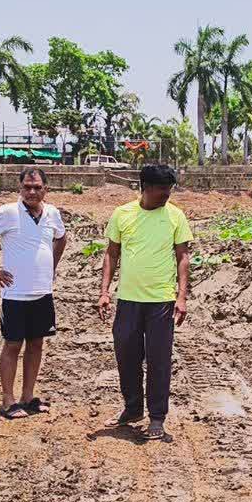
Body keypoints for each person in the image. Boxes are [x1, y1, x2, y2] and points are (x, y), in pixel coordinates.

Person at [98, 164, 192, 441]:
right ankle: (132, 408)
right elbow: (111, 254)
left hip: (161, 301)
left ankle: (157, 417)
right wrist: (104, 291)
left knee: (159, 360)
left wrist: (182, 296)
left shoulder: (175, 216)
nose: (167, 194)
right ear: (145, 187)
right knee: (126, 356)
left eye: (169, 189)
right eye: (162, 189)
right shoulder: (122, 214)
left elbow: (183, 257)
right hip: (128, 300)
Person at [0, 167, 67, 419]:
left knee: (36, 343)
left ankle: (28, 396)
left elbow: (61, 238)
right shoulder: (7, 213)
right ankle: (8, 399)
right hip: (15, 293)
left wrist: (51, 266)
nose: (32, 191)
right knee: (13, 344)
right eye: (27, 187)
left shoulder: (52, 214)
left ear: (45, 189)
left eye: (37, 187)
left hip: (42, 291)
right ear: (20, 188)